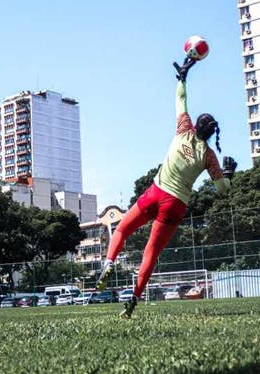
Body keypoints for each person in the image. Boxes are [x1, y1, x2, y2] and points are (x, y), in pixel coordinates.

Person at [96, 59, 237, 318]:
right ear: (210, 133)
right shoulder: (209, 155)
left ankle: (108, 263)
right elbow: (222, 189)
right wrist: (229, 174)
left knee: (123, 229)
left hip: (156, 192)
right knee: (150, 252)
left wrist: (183, 76)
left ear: (196, 125)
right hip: (176, 204)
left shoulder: (184, 129)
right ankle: (134, 300)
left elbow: (181, 99)